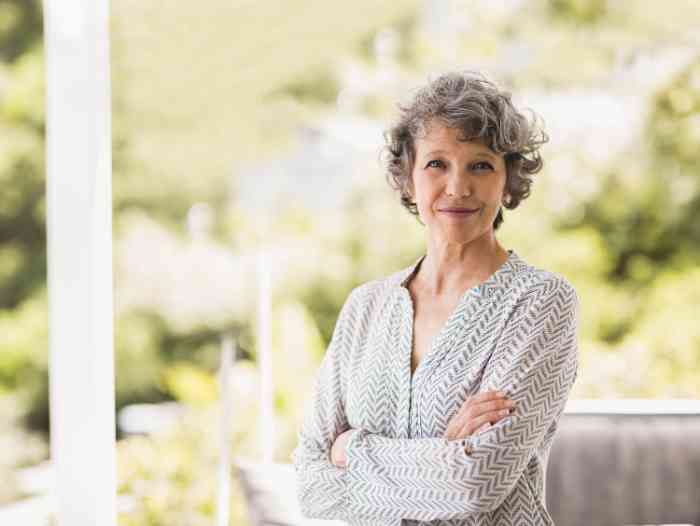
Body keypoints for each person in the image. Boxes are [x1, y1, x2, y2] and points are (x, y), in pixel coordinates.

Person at [290, 70, 580, 526]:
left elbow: (475, 485)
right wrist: (445, 455)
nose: (458, 187)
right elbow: (312, 488)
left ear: (508, 180)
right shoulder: (364, 308)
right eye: (436, 164)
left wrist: (351, 450)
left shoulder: (540, 303)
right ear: (408, 178)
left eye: (480, 165)